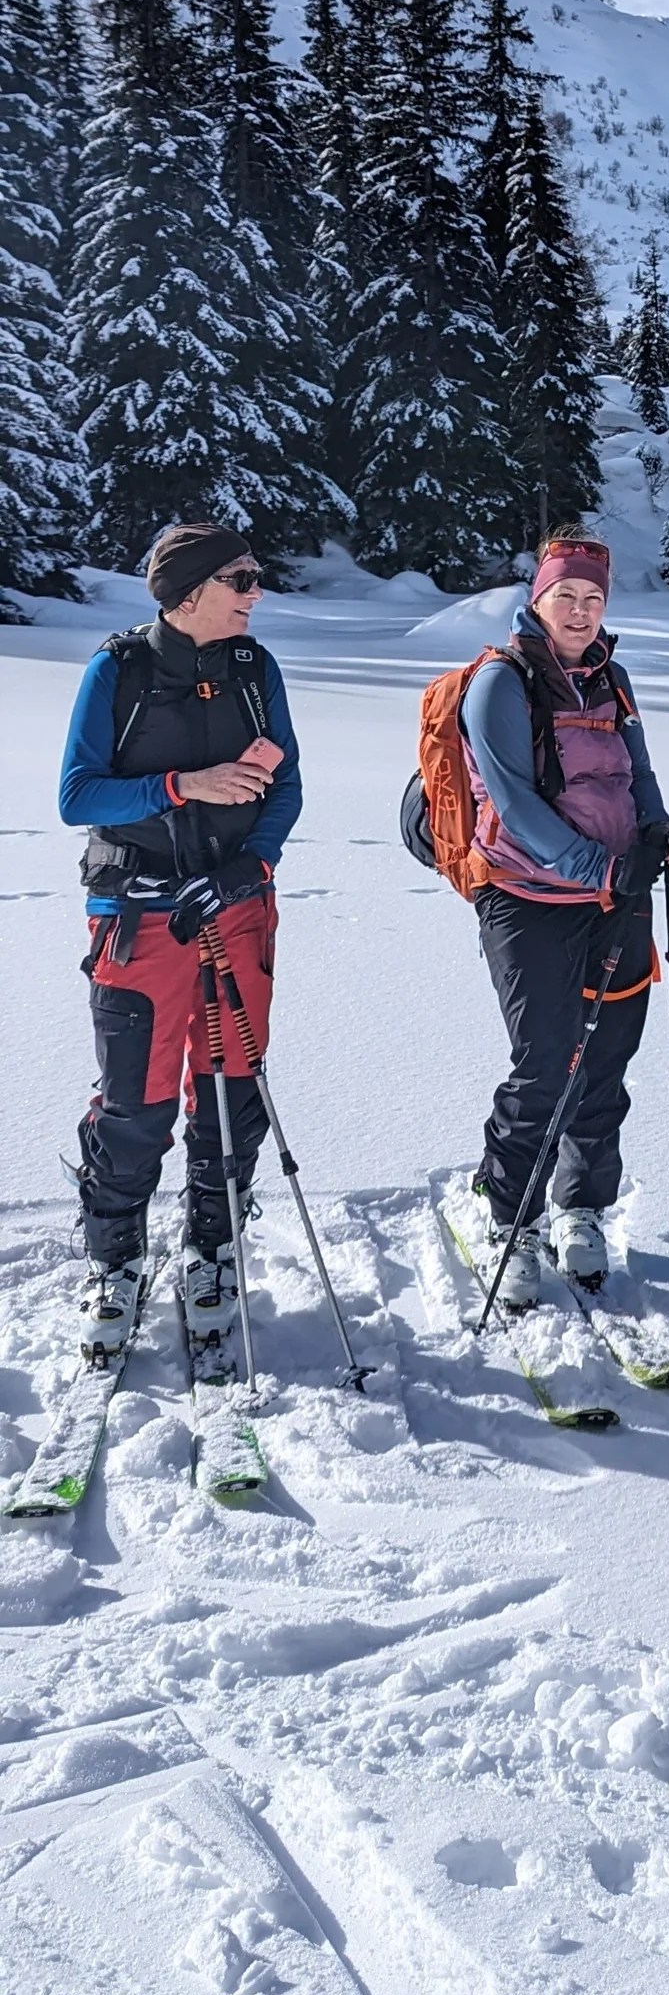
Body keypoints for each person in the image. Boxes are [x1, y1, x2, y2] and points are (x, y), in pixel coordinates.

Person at [56, 521, 303, 1364]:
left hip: (236, 907)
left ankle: (214, 1246)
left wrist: (251, 866)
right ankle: (115, 1262)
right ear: (190, 592)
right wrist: (183, 785)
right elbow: (77, 793)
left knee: (233, 1088)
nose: (255, 591)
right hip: (137, 911)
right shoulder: (118, 670)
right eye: (242, 577)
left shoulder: (253, 669)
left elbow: (289, 784)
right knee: (138, 1097)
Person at [462, 537, 669, 1305]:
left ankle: (581, 1205)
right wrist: (601, 868)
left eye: (594, 599)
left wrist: (658, 833)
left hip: (615, 899)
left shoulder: (612, 679)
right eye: (568, 597)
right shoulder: (502, 682)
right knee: (546, 1061)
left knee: (608, 1058)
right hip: (528, 899)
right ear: (539, 597)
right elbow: (518, 804)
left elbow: (640, 774)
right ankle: (510, 1215)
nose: (582, 612)